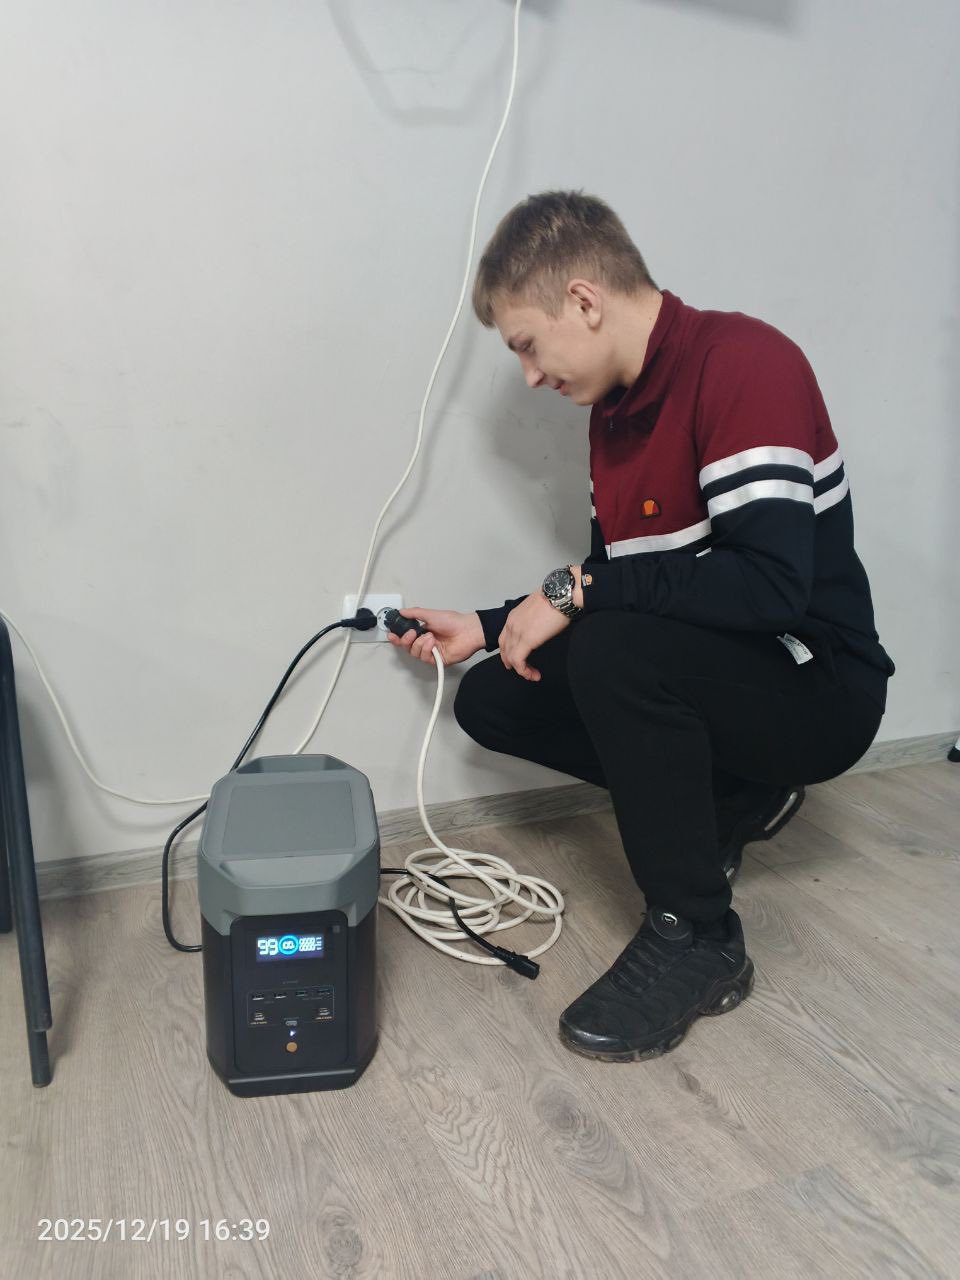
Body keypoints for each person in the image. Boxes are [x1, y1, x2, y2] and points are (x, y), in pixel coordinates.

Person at [388, 190, 894, 1063]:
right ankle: (734, 798)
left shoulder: (746, 364)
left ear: (583, 300)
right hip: (731, 671)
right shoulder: (615, 420)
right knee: (495, 698)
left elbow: (769, 588)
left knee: (614, 648)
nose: (530, 376)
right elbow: (624, 590)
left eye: (526, 345)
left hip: (820, 683)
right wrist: (490, 624)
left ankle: (698, 937)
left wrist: (579, 589)